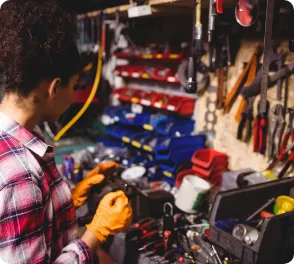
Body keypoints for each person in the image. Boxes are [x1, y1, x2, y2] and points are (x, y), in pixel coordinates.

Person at [0, 0, 132, 263]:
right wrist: (97, 231)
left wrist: (70, 198)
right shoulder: (19, 174)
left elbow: (26, 223)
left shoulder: (21, 137)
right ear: (54, 87)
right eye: (73, 86)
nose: (73, 95)